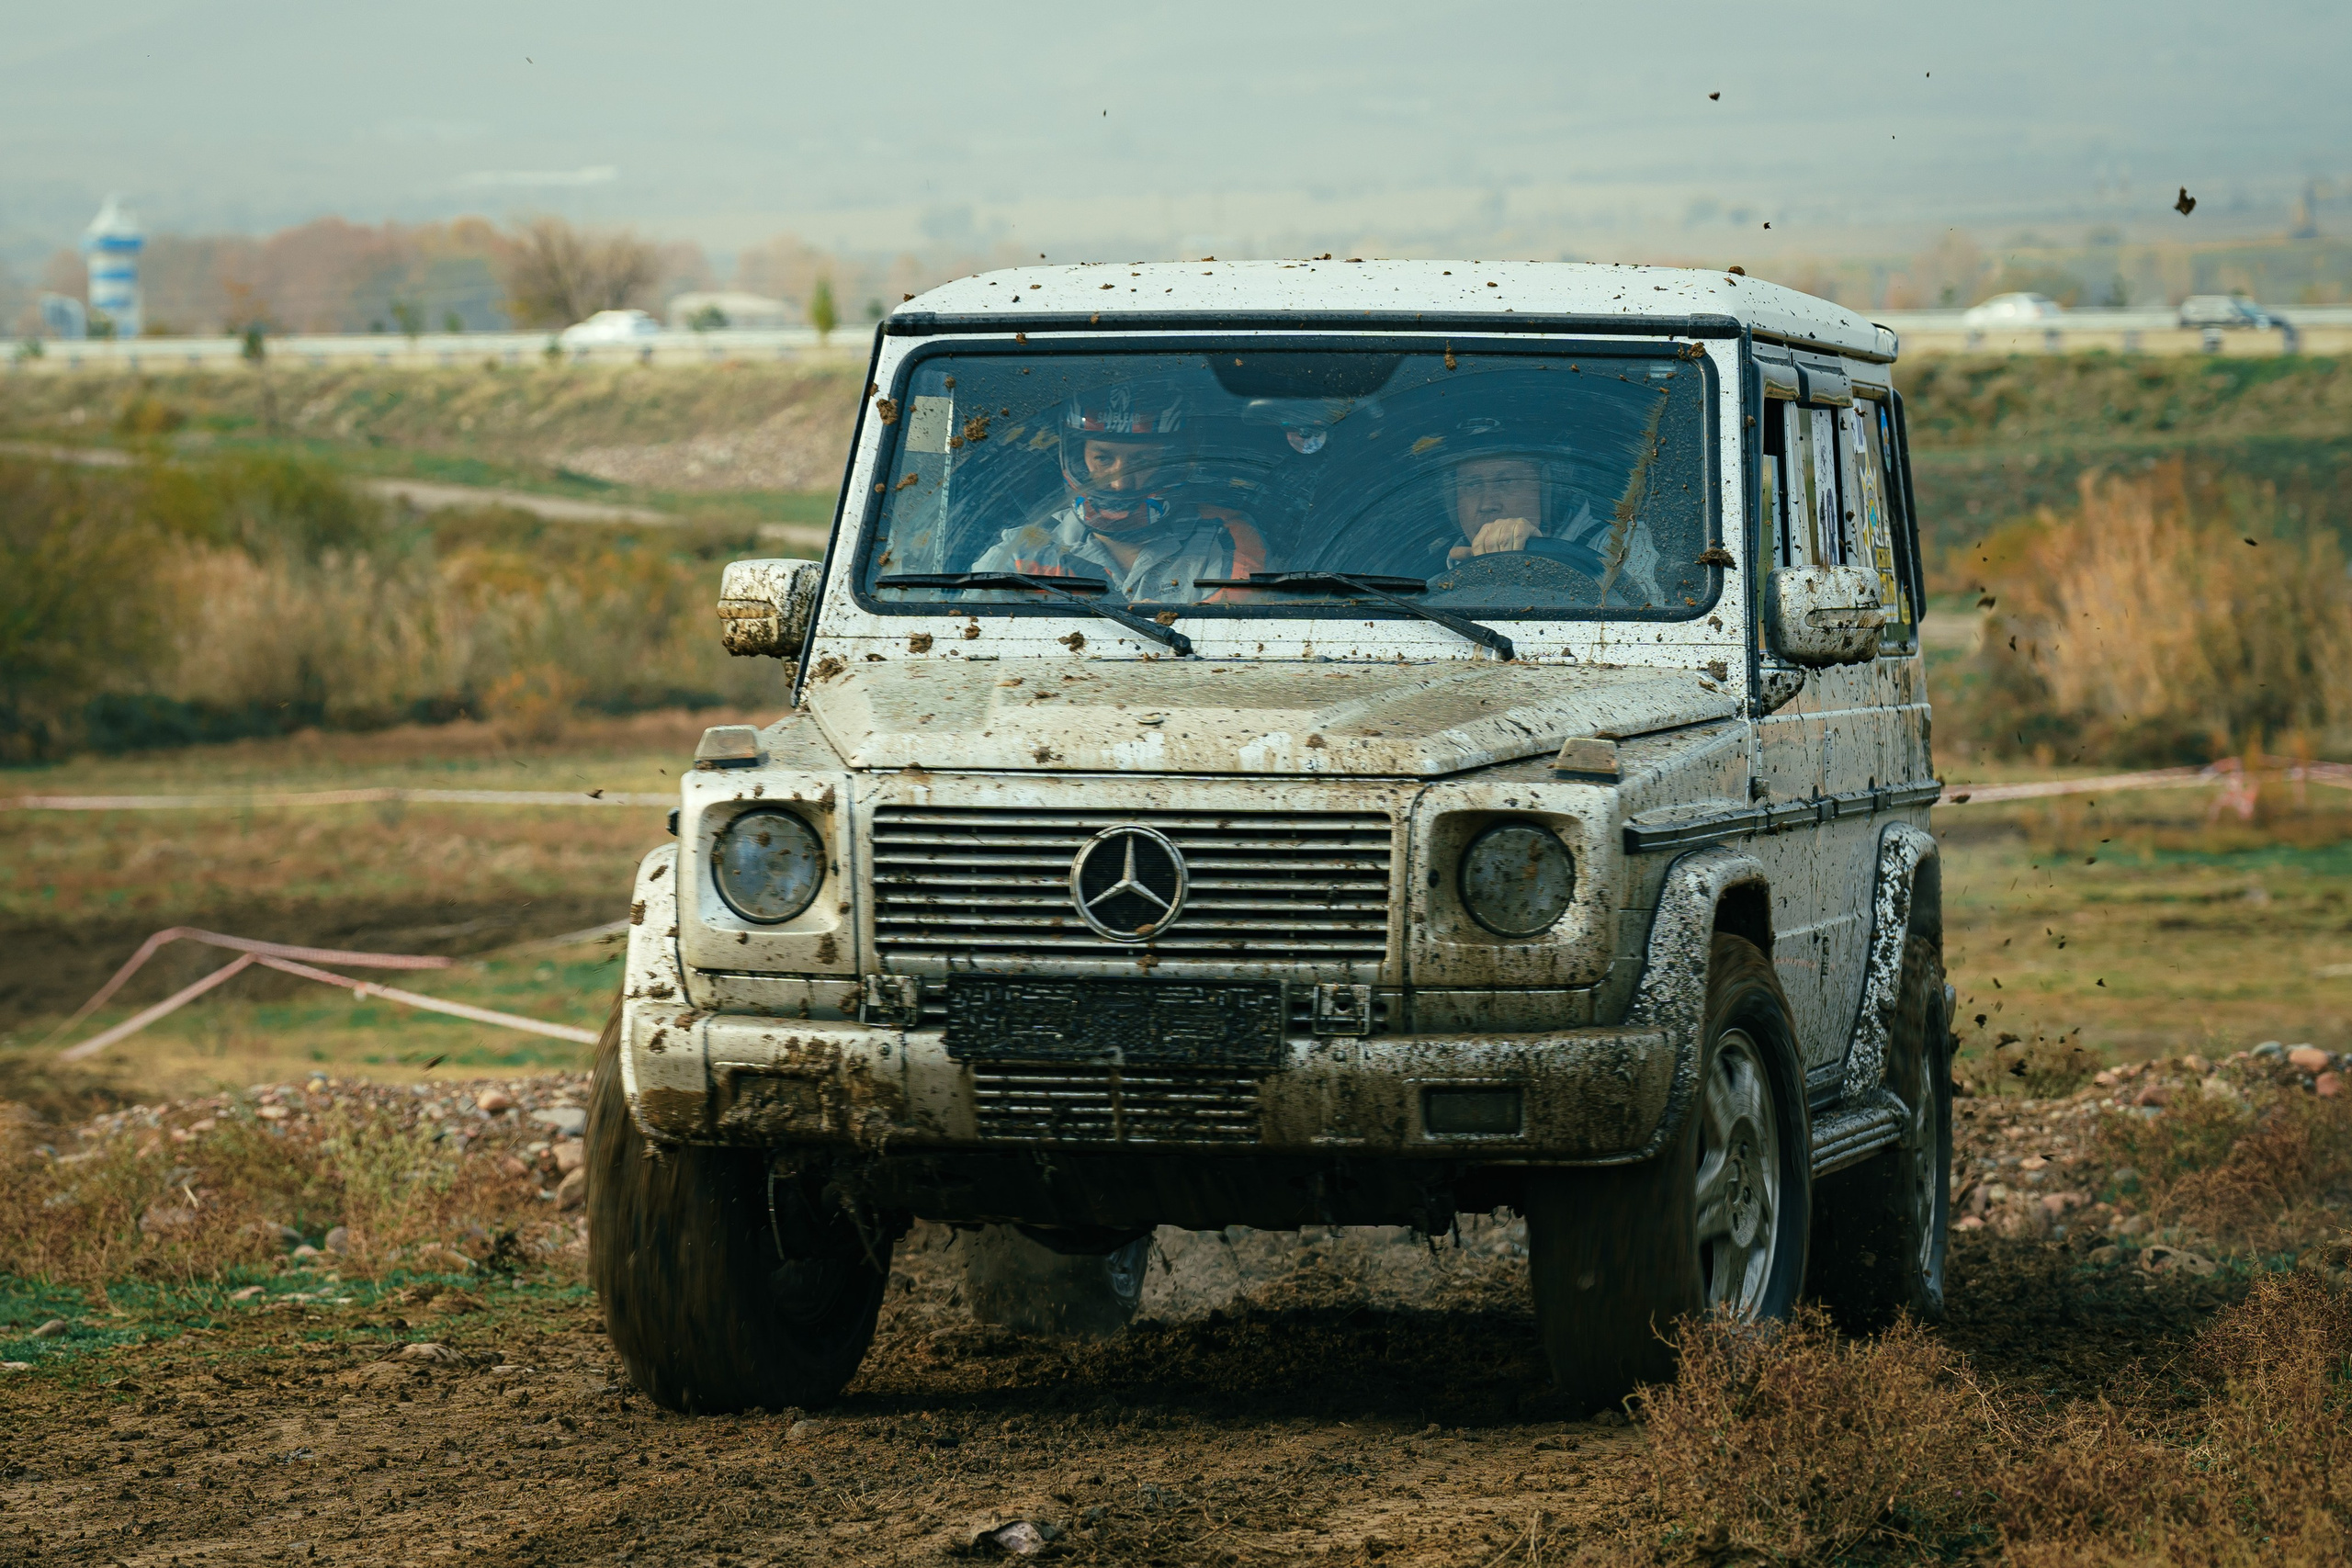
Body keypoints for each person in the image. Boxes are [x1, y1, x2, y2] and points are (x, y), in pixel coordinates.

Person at [969, 384, 1265, 604]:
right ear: (1078, 460)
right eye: (1103, 459)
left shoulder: (1224, 537)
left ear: (1175, 462)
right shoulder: (1024, 552)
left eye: (1143, 462)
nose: (1120, 483)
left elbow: (1231, 640)